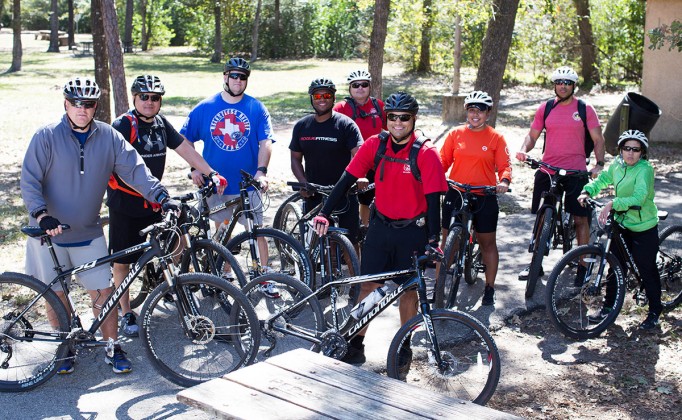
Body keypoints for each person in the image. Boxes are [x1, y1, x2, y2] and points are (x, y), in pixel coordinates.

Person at [20, 77, 179, 374]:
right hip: (48, 232)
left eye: (89, 104)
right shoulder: (46, 136)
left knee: (104, 293)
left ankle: (111, 346)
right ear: (66, 104)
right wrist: (41, 215)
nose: (82, 109)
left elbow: (135, 169)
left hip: (88, 231)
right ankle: (63, 346)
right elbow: (29, 181)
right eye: (76, 103)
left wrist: (160, 196)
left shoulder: (108, 137)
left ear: (95, 107)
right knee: (56, 295)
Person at [312, 92, 447, 365]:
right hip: (380, 227)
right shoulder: (376, 144)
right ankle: (357, 343)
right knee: (367, 288)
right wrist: (325, 212)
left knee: (408, 293)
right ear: (387, 119)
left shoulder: (426, 153)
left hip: (412, 232)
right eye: (393, 117)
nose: (398, 123)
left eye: (404, 118)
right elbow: (347, 178)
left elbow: (434, 201)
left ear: (414, 119)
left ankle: (404, 345)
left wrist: (433, 239)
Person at [108, 75, 227, 337]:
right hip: (125, 204)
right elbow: (113, 164)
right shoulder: (123, 125)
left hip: (157, 200)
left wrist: (210, 172)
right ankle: (126, 311)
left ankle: (164, 283)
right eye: (144, 97)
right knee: (123, 261)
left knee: (178, 241)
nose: (149, 102)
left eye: (155, 98)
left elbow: (184, 147)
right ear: (134, 98)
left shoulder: (160, 124)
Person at [515, 66, 606, 280]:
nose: (563, 86)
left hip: (576, 171)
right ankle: (535, 264)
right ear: (554, 85)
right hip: (548, 169)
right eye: (559, 82)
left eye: (567, 82)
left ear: (573, 86)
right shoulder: (546, 108)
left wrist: (599, 164)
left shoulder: (584, 109)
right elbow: (532, 135)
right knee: (541, 215)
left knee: (580, 219)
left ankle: (583, 267)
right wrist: (523, 149)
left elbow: (598, 139)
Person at [180, 57, 273, 266]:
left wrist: (261, 171)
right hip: (217, 184)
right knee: (222, 231)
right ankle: (226, 273)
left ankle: (265, 275)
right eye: (234, 76)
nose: (238, 80)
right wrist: (195, 168)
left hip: (248, 183)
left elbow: (266, 142)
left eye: (243, 77)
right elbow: (184, 139)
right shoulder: (205, 107)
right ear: (225, 77)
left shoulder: (256, 108)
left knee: (257, 231)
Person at [578, 130, 662, 330]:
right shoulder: (617, 165)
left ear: (642, 152)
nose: (630, 153)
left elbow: (640, 197)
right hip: (622, 224)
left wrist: (613, 203)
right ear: (621, 149)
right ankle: (609, 307)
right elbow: (603, 179)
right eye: (627, 148)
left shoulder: (645, 170)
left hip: (644, 226)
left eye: (636, 149)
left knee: (646, 268)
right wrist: (587, 190)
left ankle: (655, 311)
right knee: (615, 266)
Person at [439, 91, 512, 306]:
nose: (475, 114)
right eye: (472, 110)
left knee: (488, 243)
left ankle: (489, 287)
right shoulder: (455, 134)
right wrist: (435, 178)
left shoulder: (495, 138)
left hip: (485, 194)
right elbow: (442, 161)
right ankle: (439, 285)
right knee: (446, 242)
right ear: (467, 112)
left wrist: (504, 181)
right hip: (456, 191)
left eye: (480, 110)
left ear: (488, 113)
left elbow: (505, 166)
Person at [290, 77, 363, 245]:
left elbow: (359, 156)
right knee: (317, 244)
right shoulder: (302, 126)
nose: (322, 99)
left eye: (327, 96)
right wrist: (303, 183)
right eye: (317, 96)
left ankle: (353, 272)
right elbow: (295, 159)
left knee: (351, 243)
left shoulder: (346, 125)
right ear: (311, 98)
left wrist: (359, 177)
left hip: (344, 193)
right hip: (314, 193)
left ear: (333, 98)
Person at [333, 70, 386, 229]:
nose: (360, 88)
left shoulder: (378, 105)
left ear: (370, 87)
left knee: (368, 199)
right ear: (350, 88)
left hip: (375, 161)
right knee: (348, 198)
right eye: (355, 85)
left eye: (364, 84)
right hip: (350, 161)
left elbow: (392, 127)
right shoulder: (341, 108)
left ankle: (364, 229)